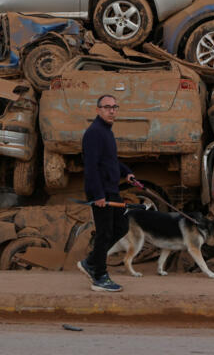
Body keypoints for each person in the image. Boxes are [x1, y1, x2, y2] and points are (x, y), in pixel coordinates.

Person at [77, 94, 136, 292]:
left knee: (121, 227)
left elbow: (110, 161)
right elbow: (91, 167)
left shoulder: (107, 132)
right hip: (101, 193)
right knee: (104, 233)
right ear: (98, 110)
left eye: (114, 107)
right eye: (107, 107)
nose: (112, 110)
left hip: (112, 190)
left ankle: (91, 262)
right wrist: (98, 195)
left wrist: (126, 172)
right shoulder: (94, 133)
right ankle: (99, 276)